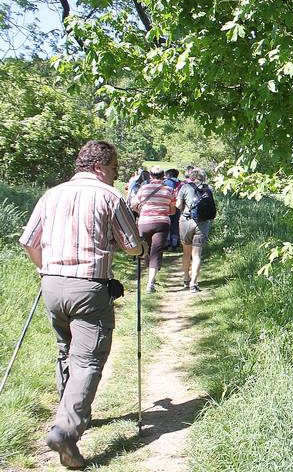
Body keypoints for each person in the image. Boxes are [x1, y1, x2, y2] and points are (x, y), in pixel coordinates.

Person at [19, 140, 147, 470]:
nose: (116, 175)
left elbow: (28, 242)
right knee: (88, 360)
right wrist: (135, 246)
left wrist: (43, 269)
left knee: (65, 351)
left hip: (51, 283)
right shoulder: (110, 196)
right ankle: (66, 431)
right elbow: (133, 246)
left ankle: (68, 412)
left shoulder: (52, 194)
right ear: (100, 167)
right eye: (115, 169)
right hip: (89, 287)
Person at [131, 165, 176, 293]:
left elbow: (133, 204)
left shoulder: (144, 188)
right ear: (163, 176)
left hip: (144, 222)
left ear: (150, 176)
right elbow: (172, 211)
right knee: (156, 251)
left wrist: (140, 211)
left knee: (145, 249)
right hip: (162, 223)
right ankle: (151, 283)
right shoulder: (169, 190)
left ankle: (148, 270)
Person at [176, 167, 214, 293]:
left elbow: (178, 205)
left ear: (191, 176)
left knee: (186, 252)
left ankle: (186, 278)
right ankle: (194, 283)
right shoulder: (208, 189)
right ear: (203, 177)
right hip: (202, 223)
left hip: (186, 221)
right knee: (197, 254)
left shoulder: (185, 187)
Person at [164, 168, 182, 251]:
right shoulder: (181, 183)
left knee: (167, 224)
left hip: (167, 206)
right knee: (175, 224)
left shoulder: (166, 183)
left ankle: (166, 243)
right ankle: (175, 243)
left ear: (169, 175)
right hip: (178, 206)